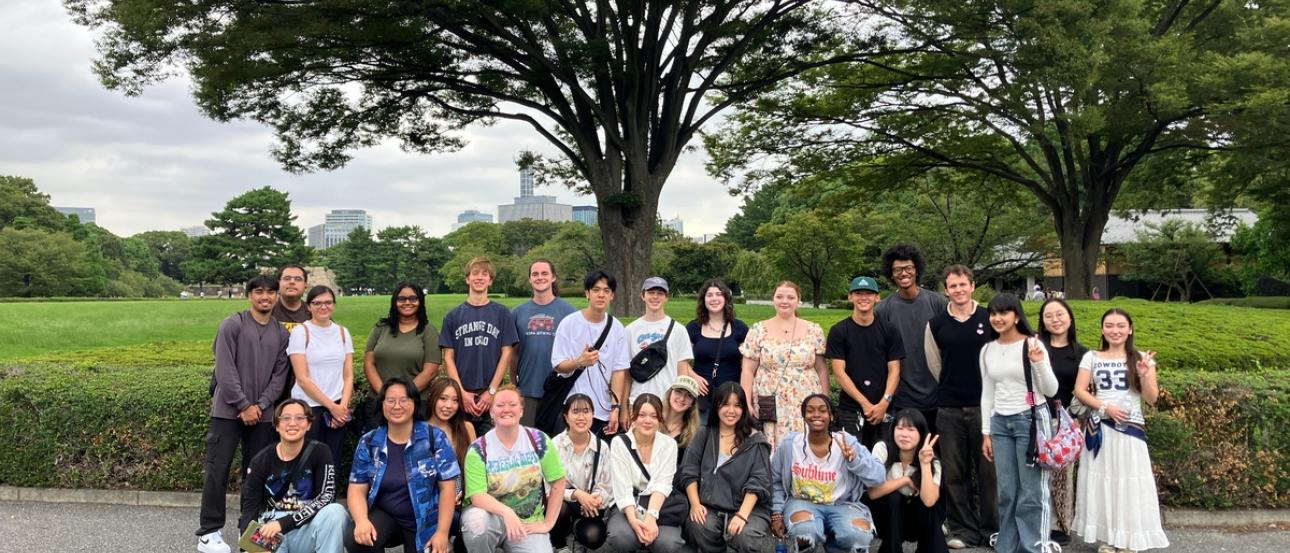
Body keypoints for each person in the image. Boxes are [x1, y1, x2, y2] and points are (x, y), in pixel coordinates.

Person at [198, 274, 291, 553]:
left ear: (276, 296)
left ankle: (249, 530)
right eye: (259, 292)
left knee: (256, 474)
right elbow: (224, 370)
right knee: (218, 469)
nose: (265, 297)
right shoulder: (232, 324)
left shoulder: (281, 333)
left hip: (262, 416)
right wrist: (242, 404)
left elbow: (279, 377)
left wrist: (260, 406)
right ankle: (209, 533)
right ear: (249, 295)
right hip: (227, 412)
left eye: (270, 292)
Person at [1072, 309, 1168, 553]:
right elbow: (1080, 390)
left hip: (1130, 431)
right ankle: (1110, 536)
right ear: (1102, 329)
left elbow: (1152, 398)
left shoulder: (1143, 358)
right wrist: (1106, 407)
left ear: (1130, 329)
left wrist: (1145, 376)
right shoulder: (1091, 357)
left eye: (1121, 325)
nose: (1115, 330)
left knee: (1129, 483)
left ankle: (1129, 539)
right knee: (1105, 482)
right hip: (1100, 429)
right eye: (1109, 325)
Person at [923, 265, 996, 549]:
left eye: (963, 284)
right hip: (950, 408)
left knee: (990, 473)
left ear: (973, 286)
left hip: (986, 408)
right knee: (955, 473)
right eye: (953, 286)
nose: (958, 290)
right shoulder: (937, 323)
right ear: (946, 290)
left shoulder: (990, 317)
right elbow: (934, 364)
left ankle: (992, 528)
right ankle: (963, 530)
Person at [345, 377, 460, 553]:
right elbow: (356, 489)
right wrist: (361, 521)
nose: (397, 406)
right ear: (381, 404)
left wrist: (442, 533)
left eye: (404, 400)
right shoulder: (369, 442)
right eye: (390, 400)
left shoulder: (434, 438)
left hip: (425, 519)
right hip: (387, 514)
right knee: (358, 539)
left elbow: (448, 489)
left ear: (414, 403)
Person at [979, 293, 1057, 553]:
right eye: (993, 313)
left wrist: (1038, 364)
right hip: (1000, 423)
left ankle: (1035, 546)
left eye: (1004, 313)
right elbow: (987, 392)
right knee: (1007, 491)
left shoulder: (1032, 344)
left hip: (1031, 420)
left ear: (1016, 315)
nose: (997, 318)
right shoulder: (988, 349)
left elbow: (1051, 388)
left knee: (1032, 491)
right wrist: (986, 433)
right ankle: (1007, 546)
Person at [770, 394, 887, 553]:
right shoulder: (790, 444)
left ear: (832, 416)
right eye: (810, 411)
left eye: (822, 410)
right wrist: (777, 513)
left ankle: (835, 545)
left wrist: (854, 461)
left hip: (841, 504)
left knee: (859, 536)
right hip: (801, 502)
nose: (816, 415)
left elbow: (879, 477)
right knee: (805, 532)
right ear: (804, 416)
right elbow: (775, 481)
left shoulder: (847, 442)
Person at [460, 385, 568, 553]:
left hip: (527, 522)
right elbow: (477, 496)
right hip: (491, 518)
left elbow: (559, 482)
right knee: (476, 523)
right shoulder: (478, 449)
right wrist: (506, 512)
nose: (506, 409)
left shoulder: (538, 440)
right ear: (491, 412)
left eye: (512, 404)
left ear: (522, 411)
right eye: (500, 405)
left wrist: (547, 523)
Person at [239, 399, 348, 553]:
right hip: (271, 530)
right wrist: (249, 547)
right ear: (277, 425)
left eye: (300, 418)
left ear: (309, 424)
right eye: (285, 418)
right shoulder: (260, 461)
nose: (292, 423)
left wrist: (284, 523)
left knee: (335, 512)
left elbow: (326, 497)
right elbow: (249, 507)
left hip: (307, 526)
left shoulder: (320, 452)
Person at [678, 382, 774, 553]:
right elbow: (689, 471)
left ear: (744, 409)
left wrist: (742, 515)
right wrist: (695, 504)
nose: (731, 411)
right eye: (725, 405)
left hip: (749, 509)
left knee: (744, 536)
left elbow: (759, 482)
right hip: (711, 505)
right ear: (716, 407)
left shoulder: (755, 441)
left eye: (737, 405)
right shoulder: (704, 434)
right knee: (696, 525)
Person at [740, 280, 828, 446]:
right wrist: (746, 402)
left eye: (790, 297)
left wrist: (824, 400)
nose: (784, 301)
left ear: (798, 300)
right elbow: (747, 369)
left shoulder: (814, 330)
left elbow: (822, 369)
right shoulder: (758, 330)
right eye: (779, 296)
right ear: (773, 299)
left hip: (805, 398)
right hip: (770, 401)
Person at [440, 257, 520, 436]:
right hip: (462, 396)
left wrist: (491, 391)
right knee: (461, 450)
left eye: (485, 274)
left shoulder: (501, 313)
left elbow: (506, 354)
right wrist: (461, 392)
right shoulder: (452, 316)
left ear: (490, 280)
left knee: (490, 450)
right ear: (467, 279)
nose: (479, 278)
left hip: (490, 395)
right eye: (475, 273)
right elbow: (448, 357)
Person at [550, 269, 633, 437]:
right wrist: (579, 362)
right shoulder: (569, 324)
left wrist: (615, 408)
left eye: (606, 291)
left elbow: (619, 371)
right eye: (596, 290)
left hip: (602, 410)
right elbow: (558, 365)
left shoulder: (617, 328)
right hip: (572, 407)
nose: (601, 295)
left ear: (612, 296)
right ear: (587, 293)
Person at [828, 275, 905, 450]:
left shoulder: (889, 330)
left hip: (885, 408)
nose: (864, 298)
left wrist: (884, 402)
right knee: (851, 459)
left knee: (884, 459)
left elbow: (895, 370)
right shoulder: (839, 331)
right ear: (850, 297)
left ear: (877, 297)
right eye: (858, 293)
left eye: (869, 293)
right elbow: (839, 372)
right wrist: (864, 403)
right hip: (851, 409)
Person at [877, 245, 949, 432]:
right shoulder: (883, 309)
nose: (903, 273)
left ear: (916, 270)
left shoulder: (938, 303)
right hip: (901, 397)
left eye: (908, 268)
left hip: (937, 395)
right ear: (891, 274)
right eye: (897, 269)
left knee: (937, 455)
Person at [1037, 298, 1088, 545]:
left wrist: (1078, 417)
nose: (1055, 320)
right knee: (1035, 475)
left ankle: (1061, 525)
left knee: (1062, 476)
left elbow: (1088, 389)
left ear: (1070, 318)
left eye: (1060, 314)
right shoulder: (1035, 348)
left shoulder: (1082, 353)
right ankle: (1037, 521)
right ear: (1042, 322)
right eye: (1049, 316)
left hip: (1066, 421)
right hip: (1035, 418)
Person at [607, 393, 686, 552]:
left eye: (653, 416)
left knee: (668, 543)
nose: (647, 421)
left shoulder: (669, 444)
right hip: (629, 502)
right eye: (642, 415)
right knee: (621, 537)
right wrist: (634, 521)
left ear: (660, 419)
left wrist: (651, 517)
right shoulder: (619, 443)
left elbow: (662, 485)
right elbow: (622, 487)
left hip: (659, 504)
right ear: (633, 416)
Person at [287, 285, 354, 467]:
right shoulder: (301, 332)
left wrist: (342, 408)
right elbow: (302, 378)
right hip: (309, 408)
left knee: (332, 461)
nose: (323, 307)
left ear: (334, 304)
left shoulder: (342, 332)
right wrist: (332, 406)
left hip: (338, 407)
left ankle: (328, 496)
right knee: (307, 460)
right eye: (317, 303)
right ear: (308, 307)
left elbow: (348, 375)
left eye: (328, 302)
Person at [511, 259, 578, 426]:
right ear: (530, 279)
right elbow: (513, 353)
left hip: (559, 392)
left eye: (544, 273)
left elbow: (577, 354)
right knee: (529, 445)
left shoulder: (569, 313)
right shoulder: (518, 313)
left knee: (557, 447)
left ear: (553, 277)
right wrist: (513, 384)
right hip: (528, 390)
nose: (539, 277)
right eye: (535, 274)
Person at [869, 409, 947, 553]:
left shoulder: (933, 460)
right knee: (894, 497)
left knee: (928, 506)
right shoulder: (882, 449)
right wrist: (905, 480)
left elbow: (929, 501)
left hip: (918, 520)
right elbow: (873, 493)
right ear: (893, 430)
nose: (904, 434)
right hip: (886, 519)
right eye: (899, 428)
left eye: (911, 429)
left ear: (921, 434)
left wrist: (924, 464)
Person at [550, 393, 614, 550]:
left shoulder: (602, 447)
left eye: (586, 411)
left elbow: (607, 486)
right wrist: (577, 494)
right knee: (560, 509)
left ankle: (576, 532)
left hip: (589, 505)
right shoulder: (555, 445)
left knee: (594, 537)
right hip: (563, 502)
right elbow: (548, 486)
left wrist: (595, 499)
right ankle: (559, 543)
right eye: (575, 411)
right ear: (566, 416)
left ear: (593, 415)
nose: (581, 417)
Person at [364, 283, 442, 399]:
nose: (407, 302)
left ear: (420, 301)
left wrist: (402, 397)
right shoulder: (380, 328)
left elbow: (430, 372)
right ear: (394, 302)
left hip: (415, 400)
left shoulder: (429, 331)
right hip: (378, 400)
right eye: (401, 299)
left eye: (413, 298)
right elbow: (368, 364)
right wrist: (385, 395)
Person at [626, 276, 697, 402]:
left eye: (660, 293)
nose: (655, 297)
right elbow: (626, 373)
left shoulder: (679, 330)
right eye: (651, 292)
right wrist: (624, 407)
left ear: (666, 298)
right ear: (642, 295)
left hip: (668, 402)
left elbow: (682, 371)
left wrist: (679, 402)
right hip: (637, 401)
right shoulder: (630, 330)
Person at [686, 279, 749, 420]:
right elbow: (680, 360)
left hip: (731, 397)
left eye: (719, 294)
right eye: (709, 295)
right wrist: (693, 376)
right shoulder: (693, 328)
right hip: (702, 397)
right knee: (701, 436)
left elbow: (749, 365)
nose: (714, 298)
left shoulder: (740, 328)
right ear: (703, 300)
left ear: (726, 298)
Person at [662, 375, 703, 462]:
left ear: (692, 403)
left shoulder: (693, 434)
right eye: (678, 391)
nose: (682, 398)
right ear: (670, 393)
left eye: (689, 396)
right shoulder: (653, 419)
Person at [274, 264, 311, 330]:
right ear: (278, 283)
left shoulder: (314, 313)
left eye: (298, 279)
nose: (292, 282)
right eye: (287, 278)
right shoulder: (266, 312)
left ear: (305, 285)